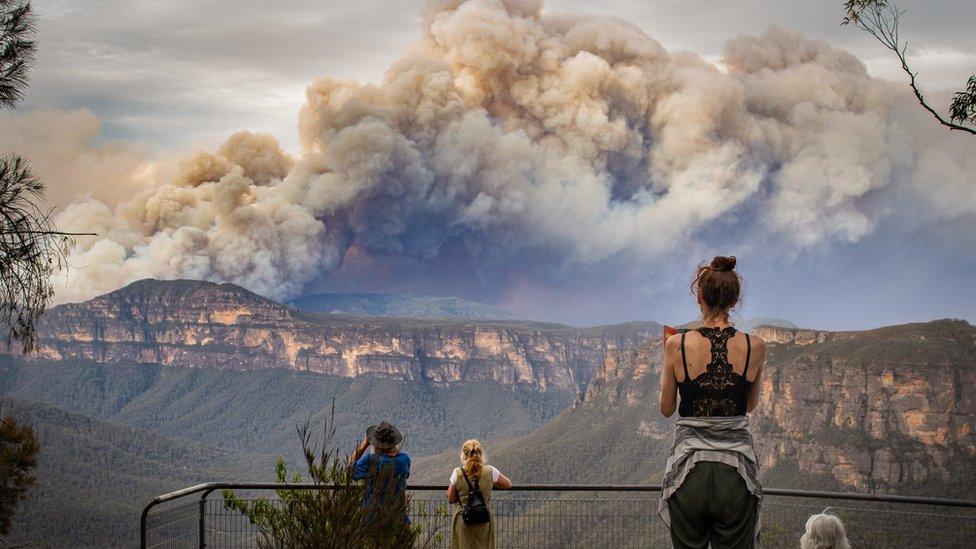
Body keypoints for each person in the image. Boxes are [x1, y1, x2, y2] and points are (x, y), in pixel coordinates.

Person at [657, 255, 767, 549]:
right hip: (736, 473)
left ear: (700, 297)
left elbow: (667, 408)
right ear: (734, 300)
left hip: (689, 471)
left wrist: (669, 365)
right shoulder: (755, 345)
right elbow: (751, 404)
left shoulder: (676, 345)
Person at [446, 439, 512, 549]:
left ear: (464, 455)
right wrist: (489, 484)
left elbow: (451, 499)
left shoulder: (457, 473)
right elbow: (508, 484)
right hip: (483, 517)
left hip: (463, 518)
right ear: (481, 454)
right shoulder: (491, 471)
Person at [349, 421, 411, 520]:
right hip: (398, 517)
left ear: (376, 443)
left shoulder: (371, 460)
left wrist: (364, 445)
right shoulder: (404, 460)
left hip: (373, 519)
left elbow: (350, 471)